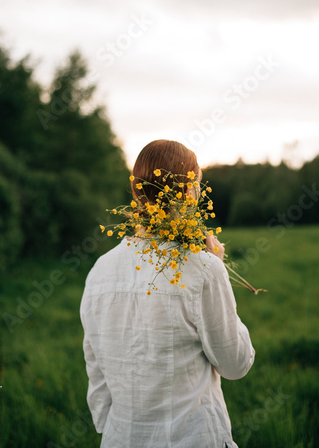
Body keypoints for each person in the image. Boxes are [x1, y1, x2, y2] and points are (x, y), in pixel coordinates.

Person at [80, 139, 255, 448]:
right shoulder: (203, 269)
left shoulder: (98, 272)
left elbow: (97, 375)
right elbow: (235, 364)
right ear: (188, 192)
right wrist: (216, 267)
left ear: (135, 193)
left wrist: (119, 433)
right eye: (198, 185)